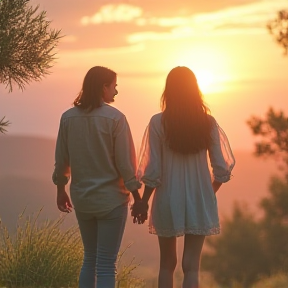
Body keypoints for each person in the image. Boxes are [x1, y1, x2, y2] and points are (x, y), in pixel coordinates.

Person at [133, 66, 236, 288]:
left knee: (166, 264)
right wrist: (208, 191)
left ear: (168, 91)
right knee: (191, 266)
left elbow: (153, 170)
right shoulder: (207, 123)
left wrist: (143, 200)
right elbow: (222, 168)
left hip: (168, 197)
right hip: (199, 199)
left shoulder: (158, 122)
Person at [52, 66, 142, 288]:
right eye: (114, 86)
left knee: (89, 259)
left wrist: (60, 190)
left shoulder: (68, 118)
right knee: (105, 265)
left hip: (82, 200)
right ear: (104, 87)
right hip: (111, 201)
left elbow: (62, 159)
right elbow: (125, 165)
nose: (116, 92)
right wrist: (138, 197)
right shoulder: (116, 119)